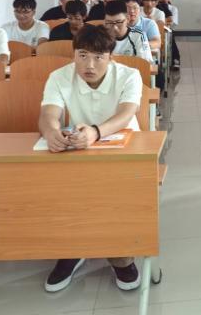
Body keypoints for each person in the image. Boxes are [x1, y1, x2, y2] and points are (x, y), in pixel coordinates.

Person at [39, 25, 143, 292]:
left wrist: (96, 132)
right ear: (74, 54)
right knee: (62, 191)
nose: (90, 64)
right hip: (81, 147)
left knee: (116, 195)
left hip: (124, 147)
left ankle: (121, 256)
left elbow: (126, 113)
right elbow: (49, 114)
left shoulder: (129, 75)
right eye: (83, 55)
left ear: (111, 57)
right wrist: (51, 132)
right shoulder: (59, 77)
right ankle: (73, 249)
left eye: (98, 57)